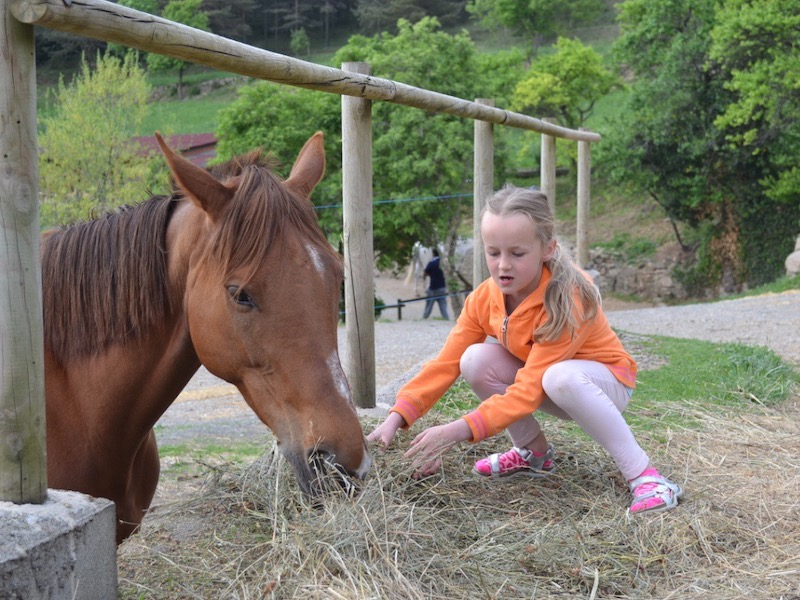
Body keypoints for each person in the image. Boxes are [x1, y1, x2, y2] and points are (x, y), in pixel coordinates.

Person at [368, 184, 682, 514]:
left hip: (605, 385)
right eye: (493, 252)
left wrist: (457, 431)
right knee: (473, 360)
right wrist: (396, 416)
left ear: (547, 249)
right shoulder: (483, 299)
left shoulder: (568, 297)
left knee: (561, 377)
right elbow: (446, 363)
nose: (503, 265)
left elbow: (529, 388)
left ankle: (647, 477)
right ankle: (534, 454)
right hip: (547, 382)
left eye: (517, 254)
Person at [422, 248, 449, 320]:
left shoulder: (431, 263)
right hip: (442, 287)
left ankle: (424, 318)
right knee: (443, 306)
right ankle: (446, 318)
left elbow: (426, 273)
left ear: (433, 254)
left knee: (429, 305)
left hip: (433, 287)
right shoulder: (443, 263)